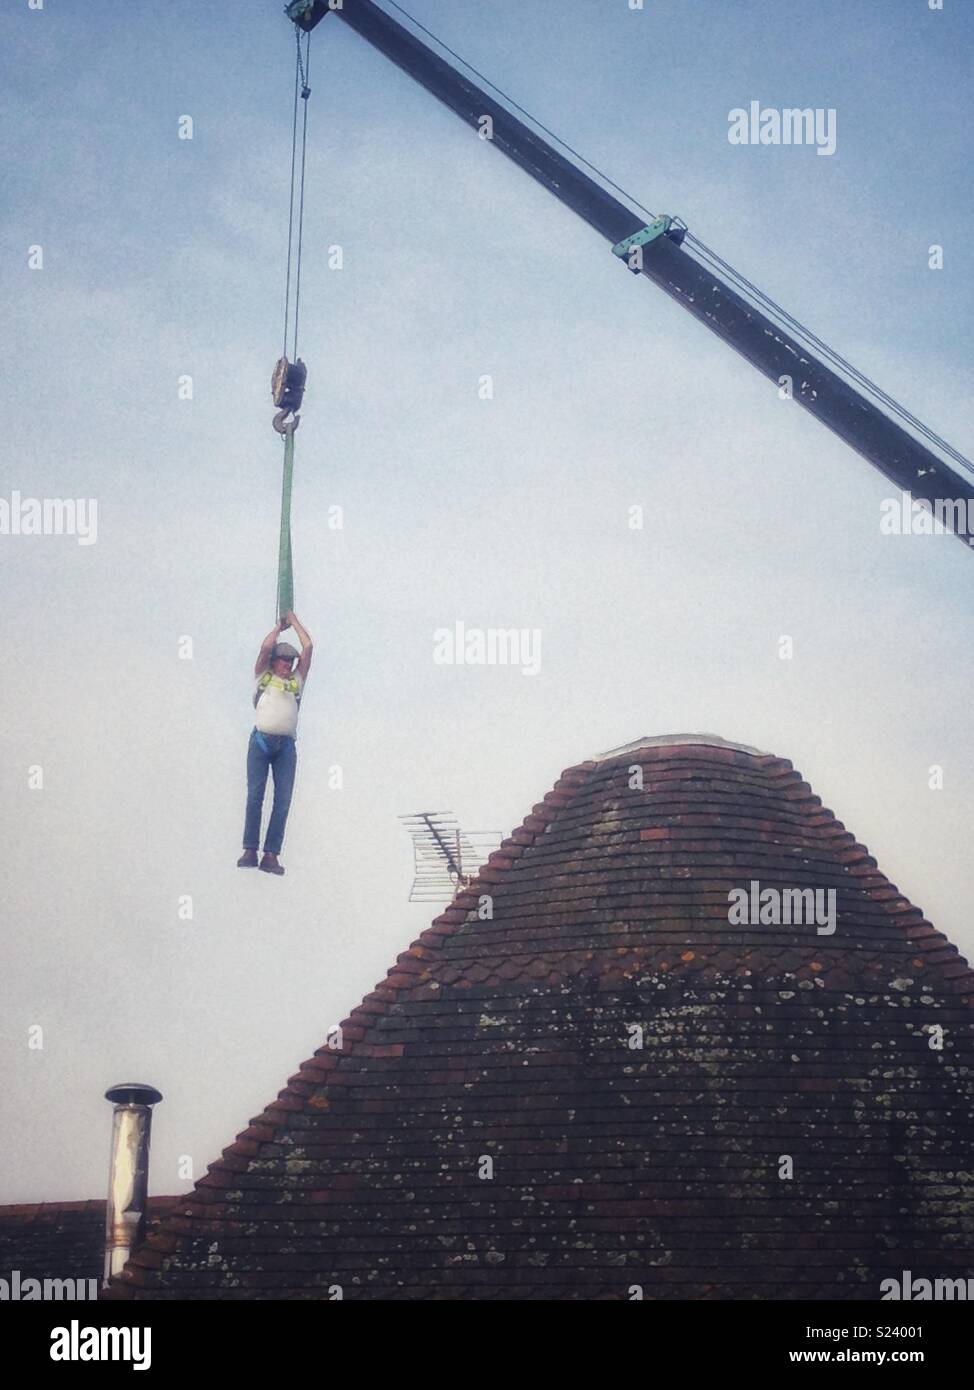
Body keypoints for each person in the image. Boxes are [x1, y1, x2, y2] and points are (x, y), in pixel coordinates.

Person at [237, 610, 313, 875]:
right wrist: (279, 628)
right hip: (260, 742)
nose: (288, 664)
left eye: (290, 660)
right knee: (256, 795)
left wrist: (294, 621)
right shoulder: (263, 677)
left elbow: (309, 647)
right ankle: (250, 848)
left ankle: (271, 853)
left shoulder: (296, 682)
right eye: (283, 660)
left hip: (286, 747)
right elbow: (264, 648)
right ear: (274, 661)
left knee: (282, 800)